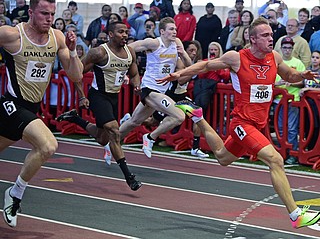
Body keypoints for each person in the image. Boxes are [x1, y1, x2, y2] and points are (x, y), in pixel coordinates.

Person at [157, 17, 320, 229]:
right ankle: (296, 214)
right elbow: (205, 65)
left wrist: (303, 75)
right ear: (252, 39)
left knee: (223, 158)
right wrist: (180, 73)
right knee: (276, 159)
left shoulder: (275, 57)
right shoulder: (237, 58)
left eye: (271, 34)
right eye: (265, 35)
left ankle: (199, 118)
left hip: (259, 123)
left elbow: (289, 74)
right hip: (242, 124)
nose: (271, 39)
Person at [0, 0, 84, 228]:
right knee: (48, 145)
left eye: (52, 14)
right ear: (30, 12)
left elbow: (76, 75)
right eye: (44, 13)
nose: (49, 18)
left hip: (31, 109)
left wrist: (73, 50)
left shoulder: (57, 38)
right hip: (11, 104)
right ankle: (15, 194)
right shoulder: (11, 35)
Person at [56, 21, 142, 191]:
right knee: (114, 132)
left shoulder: (129, 51)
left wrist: (137, 85)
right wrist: (81, 96)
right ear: (110, 35)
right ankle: (129, 177)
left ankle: (75, 118)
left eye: (126, 32)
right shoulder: (99, 52)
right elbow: (77, 72)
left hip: (114, 98)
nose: (125, 35)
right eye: (120, 32)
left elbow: (134, 72)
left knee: (102, 138)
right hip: (98, 96)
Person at [118, 17, 192, 158]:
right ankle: (150, 138)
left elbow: (189, 65)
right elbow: (129, 48)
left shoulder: (177, 43)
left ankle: (112, 143)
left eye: (175, 29)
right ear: (162, 31)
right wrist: (125, 71)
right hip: (149, 89)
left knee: (134, 121)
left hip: (162, 90)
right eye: (171, 29)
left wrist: (182, 53)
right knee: (179, 115)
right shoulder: (153, 43)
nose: (175, 31)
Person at [274, 37, 305, 165]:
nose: (287, 50)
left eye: (290, 48)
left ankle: (292, 153)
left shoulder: (298, 63)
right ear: (281, 48)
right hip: (278, 100)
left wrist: (292, 82)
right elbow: (269, 81)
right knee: (280, 128)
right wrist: (278, 83)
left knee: (292, 128)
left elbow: (303, 81)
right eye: (285, 47)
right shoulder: (276, 63)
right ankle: (282, 153)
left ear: (293, 49)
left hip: (293, 100)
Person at [300, 50, 320, 150]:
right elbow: (302, 83)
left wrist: (309, 89)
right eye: (313, 57)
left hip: (317, 105)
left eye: (317, 58)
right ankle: (307, 147)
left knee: (316, 126)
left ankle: (314, 148)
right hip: (306, 104)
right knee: (306, 125)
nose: (315, 60)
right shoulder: (307, 70)